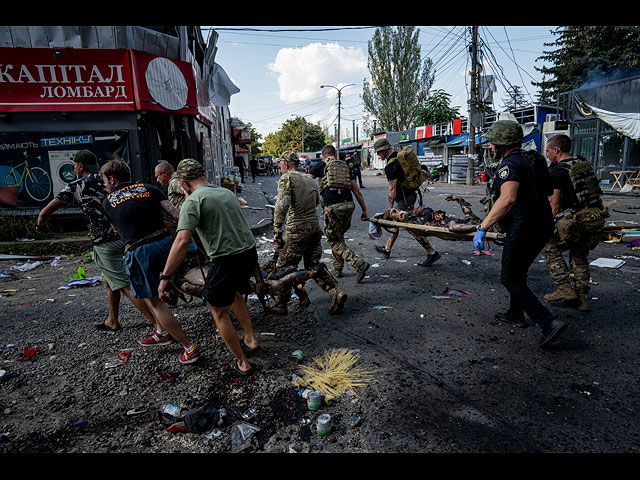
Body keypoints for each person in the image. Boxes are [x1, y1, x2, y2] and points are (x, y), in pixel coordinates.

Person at [158, 158, 260, 375]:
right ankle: (250, 338)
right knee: (234, 294)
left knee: (219, 311)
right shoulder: (225, 193)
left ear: (183, 182)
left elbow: (182, 241)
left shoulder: (193, 202)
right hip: (249, 255)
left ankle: (242, 361)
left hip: (226, 261)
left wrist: (166, 275)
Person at [36, 150, 155, 332]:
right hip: (127, 236)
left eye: (74, 164)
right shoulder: (108, 180)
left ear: (80, 166)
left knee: (123, 284)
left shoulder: (76, 186)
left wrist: (41, 225)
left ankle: (160, 325)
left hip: (104, 242)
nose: (74, 167)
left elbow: (45, 212)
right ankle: (112, 320)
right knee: (109, 279)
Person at [473, 120, 567, 349]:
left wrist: (483, 227)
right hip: (543, 222)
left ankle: (548, 322)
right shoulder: (534, 160)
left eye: (493, 143)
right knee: (519, 271)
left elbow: (508, 198)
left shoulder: (510, 165)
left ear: (502, 144)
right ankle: (515, 314)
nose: (491, 147)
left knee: (509, 277)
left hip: (524, 225)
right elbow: (548, 191)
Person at [100, 159, 199, 364]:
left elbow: (119, 231)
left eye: (105, 181)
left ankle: (188, 347)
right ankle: (161, 331)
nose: (105, 185)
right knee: (151, 292)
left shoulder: (108, 201)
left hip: (140, 249)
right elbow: (175, 214)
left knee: (155, 301)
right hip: (166, 243)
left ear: (111, 178)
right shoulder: (148, 188)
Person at [270, 150, 347, 315]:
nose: (279, 166)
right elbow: (317, 202)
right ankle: (335, 292)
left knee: (284, 267)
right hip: (314, 228)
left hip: (296, 229)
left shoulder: (286, 178)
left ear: (286, 164)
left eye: (280, 163)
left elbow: (282, 204)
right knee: (313, 266)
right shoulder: (309, 179)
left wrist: (277, 229)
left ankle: (282, 304)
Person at [543, 134, 607, 312]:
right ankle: (582, 297)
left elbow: (554, 203)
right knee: (579, 255)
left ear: (556, 150)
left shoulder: (557, 171)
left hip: (578, 220)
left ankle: (563, 287)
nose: (547, 154)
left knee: (552, 247)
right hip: (597, 216)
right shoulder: (582, 162)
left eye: (548, 151)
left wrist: (546, 226)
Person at [373, 138, 440, 267]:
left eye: (378, 152)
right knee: (396, 223)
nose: (378, 155)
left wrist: (389, 209)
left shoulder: (391, 165)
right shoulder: (400, 157)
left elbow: (392, 188)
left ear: (384, 150)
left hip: (403, 199)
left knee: (410, 226)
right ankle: (387, 249)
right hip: (410, 194)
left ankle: (432, 253)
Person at [309, 145, 370, 282]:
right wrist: (364, 210)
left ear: (323, 155)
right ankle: (338, 269)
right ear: (334, 154)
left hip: (333, 208)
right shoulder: (345, 166)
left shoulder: (320, 165)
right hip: (349, 206)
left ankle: (358, 264)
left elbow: (306, 182)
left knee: (333, 240)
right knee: (338, 236)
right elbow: (357, 191)